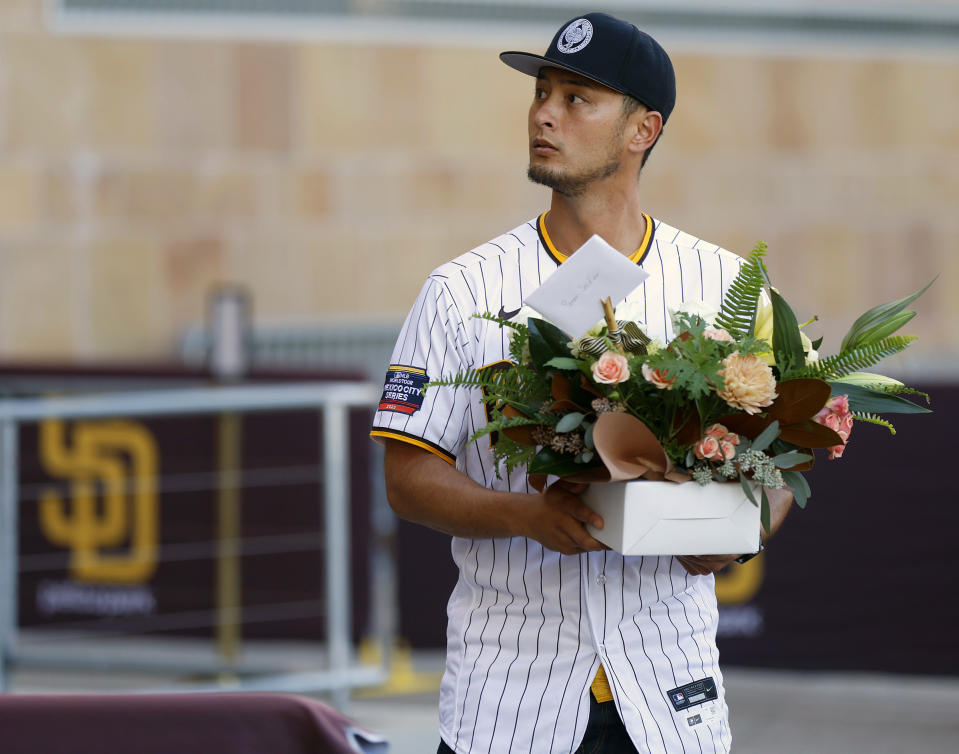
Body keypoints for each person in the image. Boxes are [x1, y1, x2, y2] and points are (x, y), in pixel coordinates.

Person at [370, 12, 792, 754]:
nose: (543, 113)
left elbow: (781, 464)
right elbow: (405, 477)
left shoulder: (725, 283)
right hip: (509, 700)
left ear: (642, 130)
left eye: (576, 98)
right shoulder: (459, 288)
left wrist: (737, 537)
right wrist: (524, 515)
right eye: (541, 92)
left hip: (669, 695)